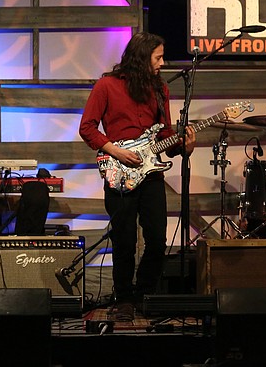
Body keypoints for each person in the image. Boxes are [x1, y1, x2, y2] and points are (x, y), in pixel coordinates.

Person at [79, 32, 196, 321]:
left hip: (151, 174)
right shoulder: (107, 85)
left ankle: (144, 293)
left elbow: (165, 134)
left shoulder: (159, 89)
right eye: (157, 57)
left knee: (157, 238)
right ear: (142, 57)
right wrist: (116, 152)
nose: (162, 63)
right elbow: (88, 128)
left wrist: (184, 145)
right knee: (124, 239)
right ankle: (124, 299)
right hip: (120, 172)